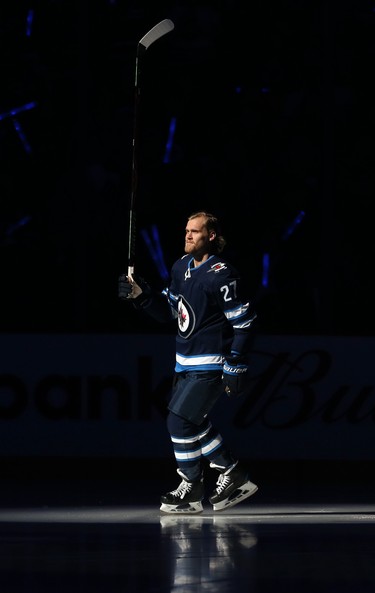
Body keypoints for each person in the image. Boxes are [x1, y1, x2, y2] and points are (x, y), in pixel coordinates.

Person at [118, 211, 258, 514]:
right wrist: (143, 297)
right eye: (186, 230)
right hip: (185, 363)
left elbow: (244, 321)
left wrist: (236, 363)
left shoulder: (221, 273)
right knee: (192, 421)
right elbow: (171, 312)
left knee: (179, 421)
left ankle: (192, 486)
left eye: (195, 231)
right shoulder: (181, 267)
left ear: (211, 237)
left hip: (209, 363)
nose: (188, 235)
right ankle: (231, 473)